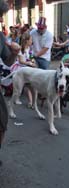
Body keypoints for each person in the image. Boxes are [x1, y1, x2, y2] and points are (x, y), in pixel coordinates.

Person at [0, 0, 21, 166]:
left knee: (2, 121)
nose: (1, 20)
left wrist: (14, 53)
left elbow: (7, 62)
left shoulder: (0, 36)